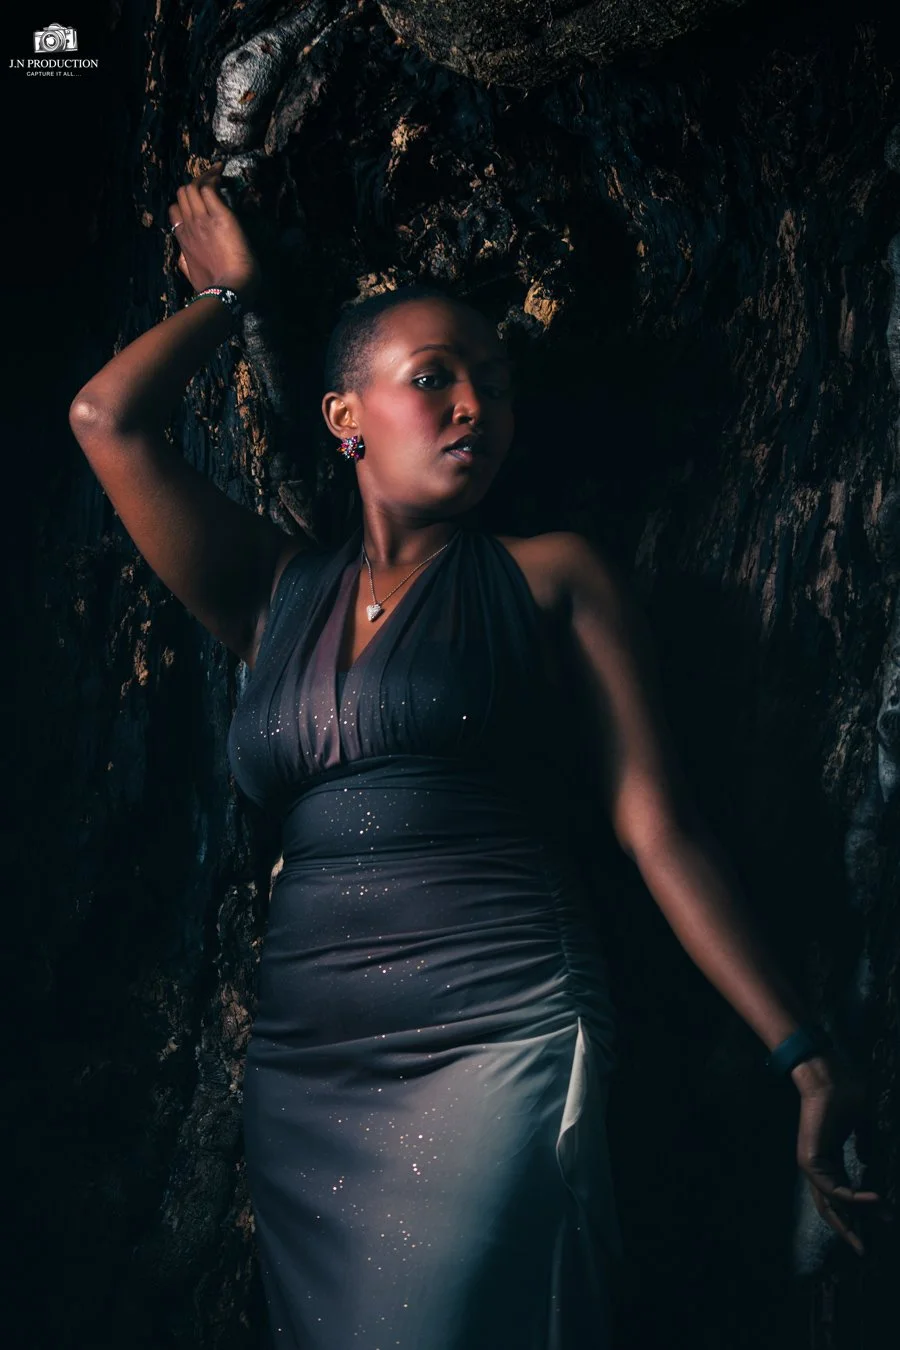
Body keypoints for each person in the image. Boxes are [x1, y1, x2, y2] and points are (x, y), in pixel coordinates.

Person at [69, 162, 884, 1349]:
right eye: (434, 380)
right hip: (308, 1068)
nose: (474, 411)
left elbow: (655, 825)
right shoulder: (272, 591)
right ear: (344, 417)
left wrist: (803, 1055)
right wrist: (231, 300)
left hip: (497, 1026)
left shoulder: (553, 575)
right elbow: (106, 419)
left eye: (494, 391)